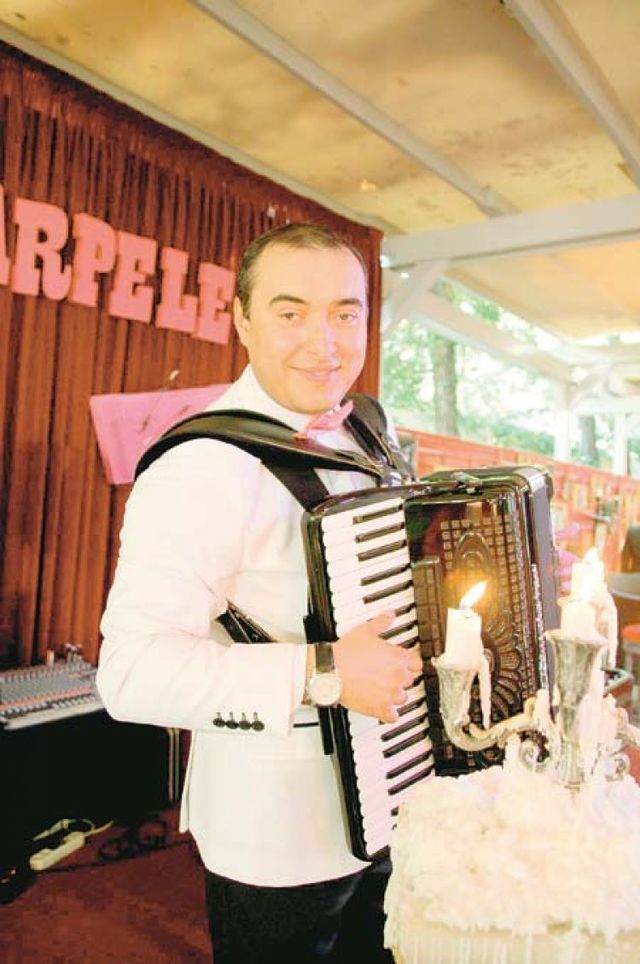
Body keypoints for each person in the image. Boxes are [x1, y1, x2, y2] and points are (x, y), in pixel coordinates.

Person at [97, 222, 421, 963]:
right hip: (279, 834)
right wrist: (323, 670)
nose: (324, 343)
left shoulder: (369, 430)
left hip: (394, 797)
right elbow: (130, 675)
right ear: (242, 319)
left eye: (345, 313)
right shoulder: (200, 469)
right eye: (290, 312)